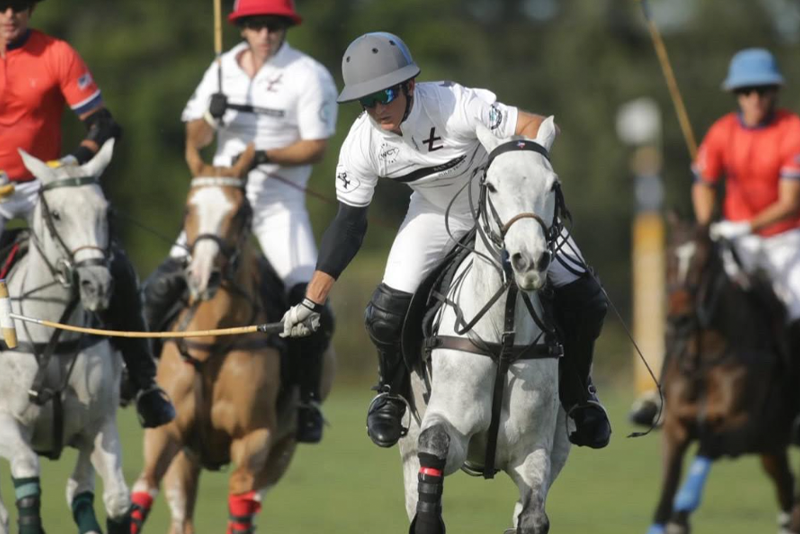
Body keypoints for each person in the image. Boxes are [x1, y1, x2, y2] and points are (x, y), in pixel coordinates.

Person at [280, 32, 612, 450]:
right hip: (435, 213)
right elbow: (348, 226)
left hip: (506, 209)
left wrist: (522, 185)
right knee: (385, 315)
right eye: (367, 101)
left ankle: (580, 397)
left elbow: (535, 125)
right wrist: (312, 300)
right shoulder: (361, 144)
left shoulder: (456, 105)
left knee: (587, 299)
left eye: (385, 94)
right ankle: (391, 393)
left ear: (409, 86)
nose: (379, 109)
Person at [142, 0, 338, 444]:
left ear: (285, 27)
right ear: (242, 28)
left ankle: (305, 402)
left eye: (273, 25)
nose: (264, 33)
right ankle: (138, 381)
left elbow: (316, 146)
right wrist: (209, 116)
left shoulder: (308, 74)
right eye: (255, 25)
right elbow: (195, 138)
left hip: (277, 206)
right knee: (157, 288)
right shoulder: (220, 69)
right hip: (220, 206)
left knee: (310, 308)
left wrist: (263, 156)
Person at [0, 0, 175, 427]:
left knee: (109, 263)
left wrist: (68, 165)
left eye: (19, 6)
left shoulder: (56, 53)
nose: (9, 15)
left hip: (48, 182)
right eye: (2, 6)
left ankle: (144, 381)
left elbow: (103, 124)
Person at [629, 48, 800, 428]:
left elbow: (791, 202)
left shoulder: (793, 131)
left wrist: (747, 226)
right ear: (737, 95)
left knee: (797, 308)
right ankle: (660, 393)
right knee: (690, 296)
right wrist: (706, 228)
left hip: (785, 239)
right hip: (733, 237)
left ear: (775, 92)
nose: (754, 99)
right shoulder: (723, 131)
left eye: (762, 90)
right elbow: (704, 183)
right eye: (746, 91)